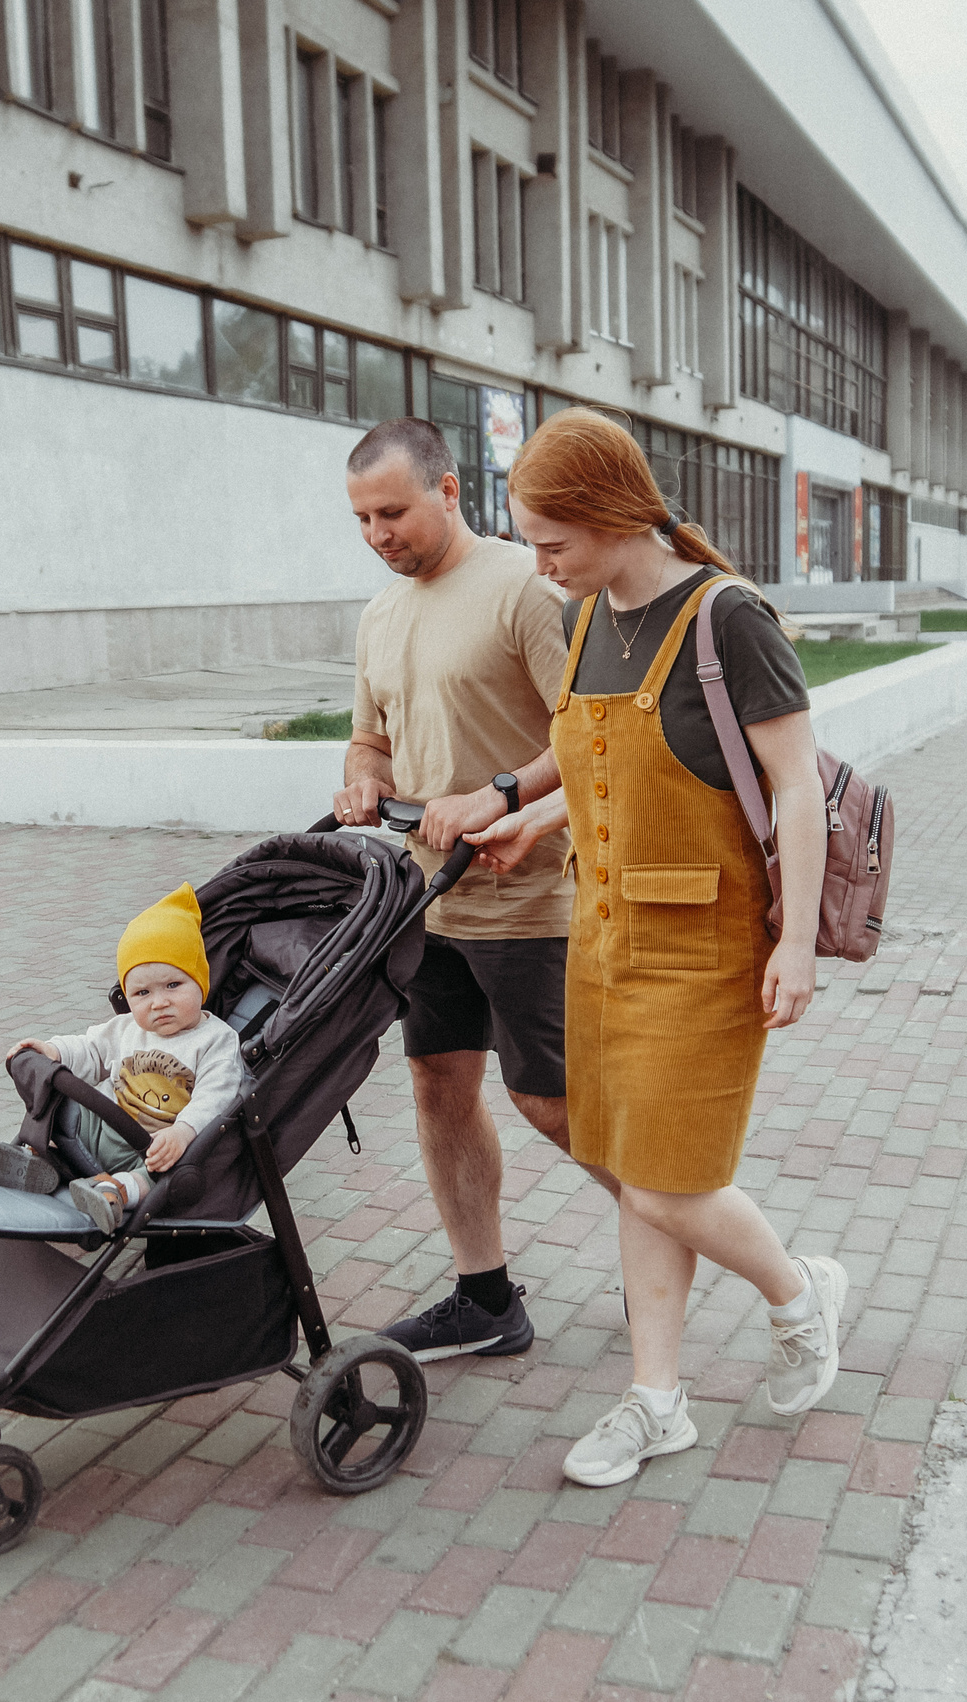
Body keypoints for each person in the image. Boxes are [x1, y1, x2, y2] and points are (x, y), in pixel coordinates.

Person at [466, 409, 848, 1487]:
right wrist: (528, 817)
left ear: (614, 515)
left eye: (551, 541)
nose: (539, 565)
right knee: (638, 1178)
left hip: (709, 947)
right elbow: (583, 754)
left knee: (672, 1183)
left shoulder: (729, 620)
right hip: (602, 943)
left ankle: (796, 1292)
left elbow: (797, 790)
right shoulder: (589, 616)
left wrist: (797, 944)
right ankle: (656, 1399)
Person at [337, 418, 581, 1362]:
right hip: (422, 902)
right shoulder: (379, 616)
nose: (377, 536)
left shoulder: (527, 585)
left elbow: (590, 734)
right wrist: (362, 777)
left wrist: (498, 793)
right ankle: (486, 1299)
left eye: (392, 512)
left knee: (555, 1106)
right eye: (360, 520)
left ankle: (684, 1236)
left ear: (447, 491)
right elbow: (372, 738)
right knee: (441, 1086)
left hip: (530, 902)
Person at [0, 885, 246, 1233]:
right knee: (64, 1098)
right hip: (103, 1128)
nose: (158, 1002)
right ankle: (40, 1157)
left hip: (153, 1146)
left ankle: (114, 1193)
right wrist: (53, 1050)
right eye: (142, 993)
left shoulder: (216, 1040)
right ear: (127, 996)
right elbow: (90, 1049)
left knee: (167, 1173)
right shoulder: (125, 1028)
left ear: (200, 982)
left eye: (173, 985)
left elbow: (216, 1096)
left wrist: (183, 1132)